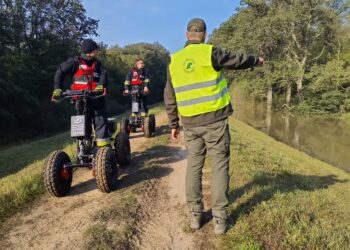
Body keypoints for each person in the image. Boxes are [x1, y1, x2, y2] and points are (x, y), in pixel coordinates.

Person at [164, 18, 264, 235]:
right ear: (205, 34)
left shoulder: (174, 60)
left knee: (194, 165)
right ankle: (220, 219)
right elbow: (236, 60)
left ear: (186, 34)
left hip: (190, 123)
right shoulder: (210, 52)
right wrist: (256, 60)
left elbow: (169, 96)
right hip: (215, 121)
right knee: (219, 166)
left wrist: (174, 123)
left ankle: (195, 216)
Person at [52, 39, 111, 147]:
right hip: (80, 98)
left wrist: (101, 85)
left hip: (96, 97)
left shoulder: (97, 64)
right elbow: (60, 72)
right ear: (89, 51)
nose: (96, 52)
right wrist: (57, 88)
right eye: (95, 50)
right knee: (82, 122)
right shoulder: (74, 62)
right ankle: (85, 144)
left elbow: (104, 75)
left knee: (100, 120)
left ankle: (104, 148)